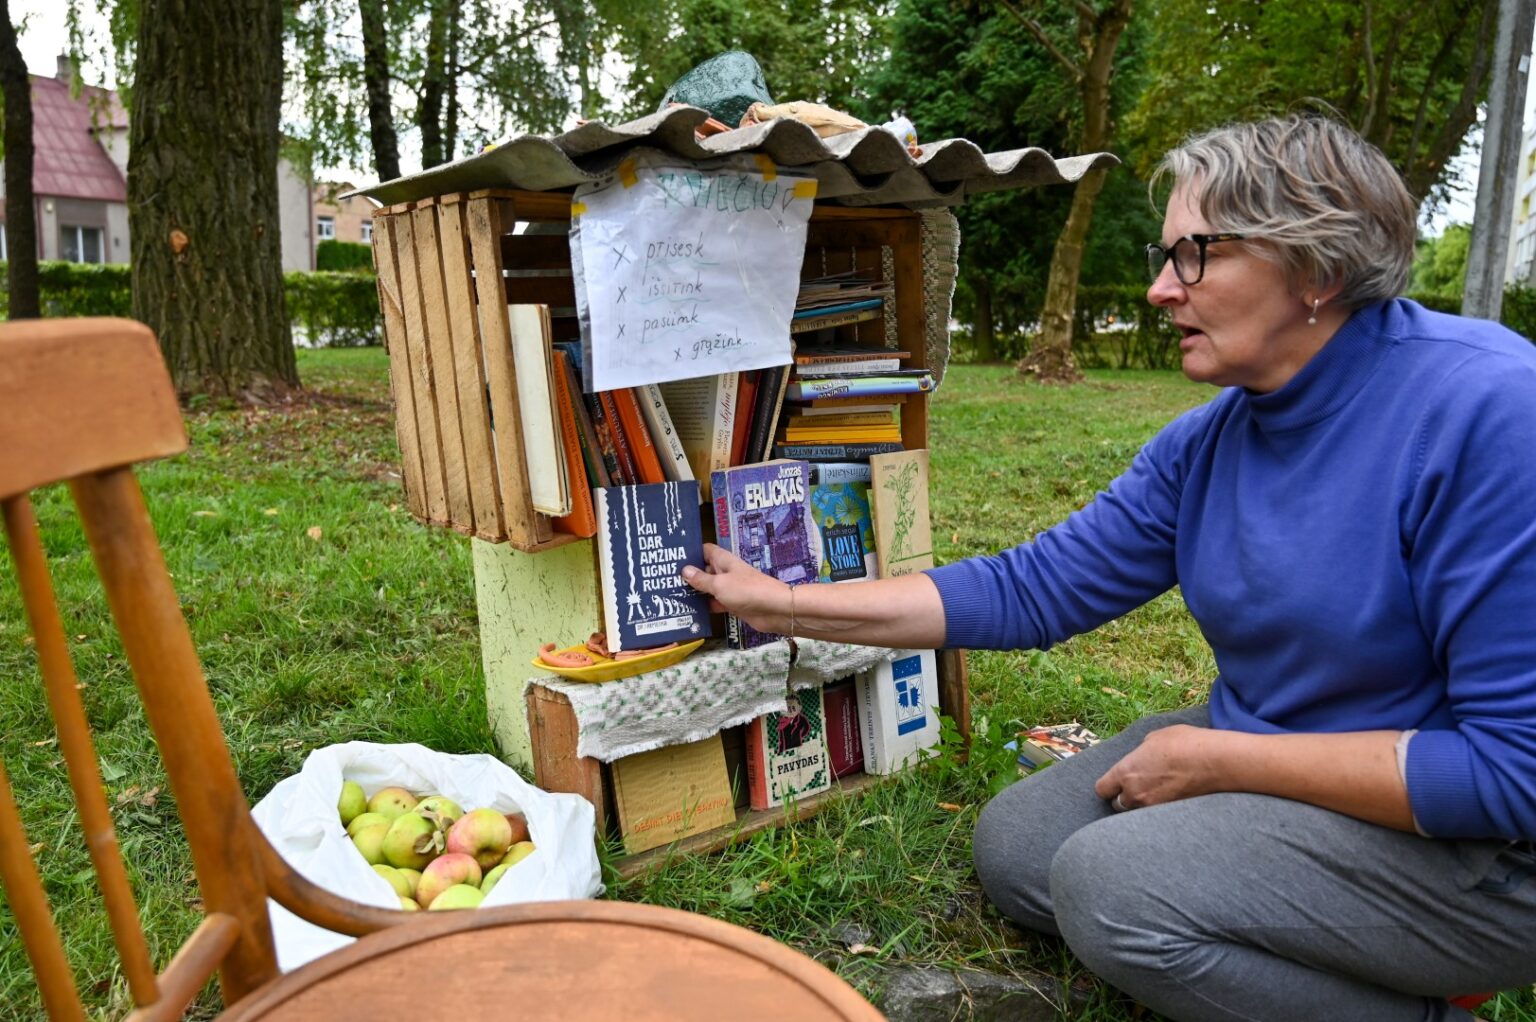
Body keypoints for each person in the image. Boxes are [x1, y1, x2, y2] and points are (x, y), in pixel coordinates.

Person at [683, 115, 1536, 1021]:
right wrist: (789, 603)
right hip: (1287, 749)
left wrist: (1223, 760)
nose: (1161, 289)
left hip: (1485, 851)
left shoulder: (1488, 413)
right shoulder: (1210, 442)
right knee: (1021, 850)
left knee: (1111, 891)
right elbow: (1032, 590)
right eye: (1164, 256)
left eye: (1195, 256)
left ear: (1316, 268)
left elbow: (1513, 776)